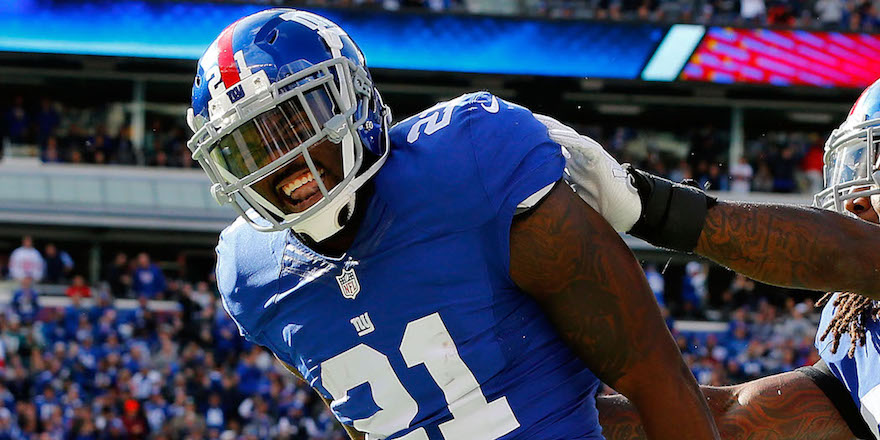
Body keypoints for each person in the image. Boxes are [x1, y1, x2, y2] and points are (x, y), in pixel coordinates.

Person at [188, 9, 718, 440]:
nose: (285, 161)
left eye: (297, 120)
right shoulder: (249, 274)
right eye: (251, 147)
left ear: (351, 100)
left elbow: (654, 376)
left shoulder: (469, 164)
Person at [581, 79, 880, 439]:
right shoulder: (861, 332)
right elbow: (731, 420)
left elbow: (840, 252)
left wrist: (647, 206)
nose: (854, 201)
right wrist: (538, 416)